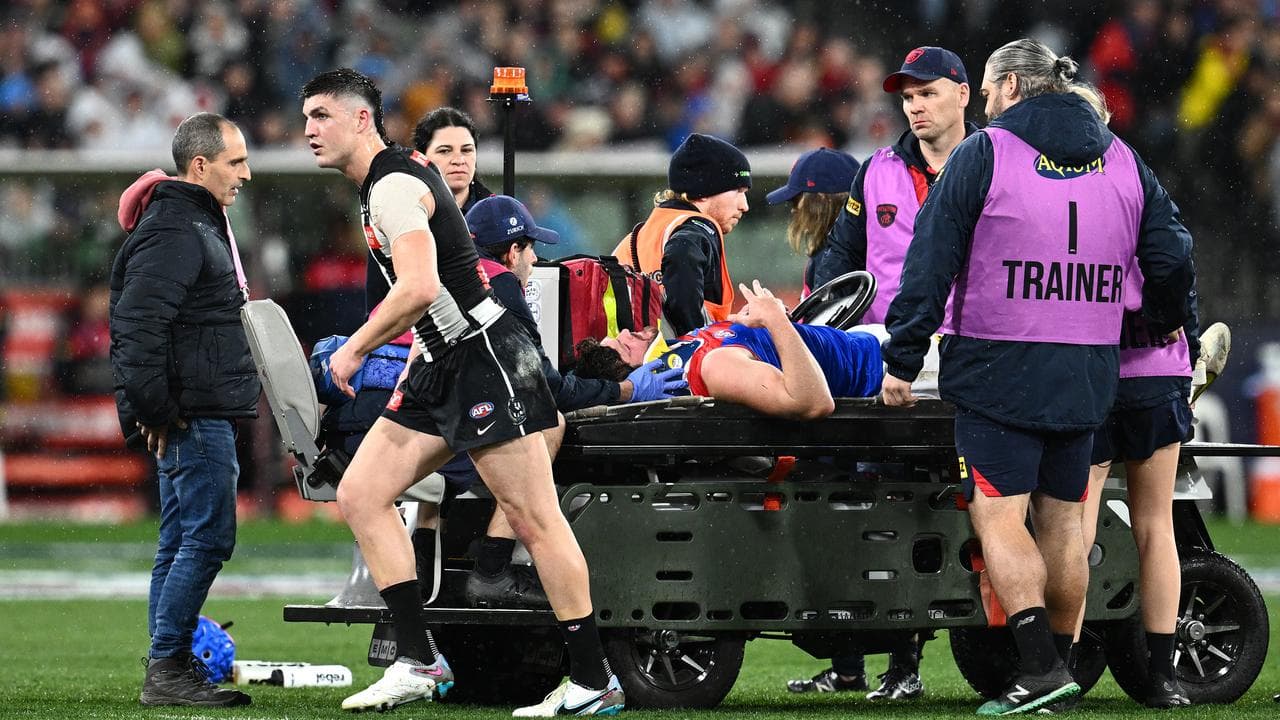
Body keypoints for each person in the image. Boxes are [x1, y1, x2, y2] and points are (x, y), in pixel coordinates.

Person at [879, 39, 1196, 715]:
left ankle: (1038, 669)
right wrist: (1165, 318)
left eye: (991, 94)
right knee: (1061, 522)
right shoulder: (1122, 157)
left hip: (999, 362)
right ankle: (1056, 667)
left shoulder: (984, 153)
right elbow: (1172, 253)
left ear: (1012, 89)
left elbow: (929, 261)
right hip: (1089, 368)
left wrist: (903, 357)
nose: (989, 106)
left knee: (998, 516)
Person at [301, 68, 623, 716]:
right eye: (306, 117)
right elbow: (434, 294)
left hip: (482, 360)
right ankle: (418, 661)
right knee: (363, 494)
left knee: (534, 519)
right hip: (443, 359)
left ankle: (593, 680)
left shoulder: (391, 187)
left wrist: (356, 349)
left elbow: (420, 287)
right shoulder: (383, 184)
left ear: (362, 120)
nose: (308, 130)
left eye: (320, 116)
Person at [463, 194, 684, 608]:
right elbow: (548, 391)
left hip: (416, 411)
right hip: (455, 421)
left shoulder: (459, 273)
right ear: (514, 251)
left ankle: (480, 564)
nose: (534, 262)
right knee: (547, 424)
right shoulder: (503, 285)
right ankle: (495, 569)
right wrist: (628, 390)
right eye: (531, 249)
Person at [109, 112, 257, 708]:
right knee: (208, 537)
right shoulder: (177, 228)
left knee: (180, 541)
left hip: (190, 407)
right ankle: (168, 666)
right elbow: (137, 325)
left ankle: (165, 662)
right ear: (200, 166)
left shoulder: (187, 222)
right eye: (236, 162)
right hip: (192, 411)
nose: (246, 173)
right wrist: (157, 408)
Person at [573, 280, 915, 419]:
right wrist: (777, 324)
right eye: (623, 343)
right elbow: (811, 403)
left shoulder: (688, 348)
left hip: (876, 346)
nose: (630, 332)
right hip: (892, 374)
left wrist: (771, 323)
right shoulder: (712, 367)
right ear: (636, 369)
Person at [814, 46, 978, 324]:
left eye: (927, 94)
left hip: (966, 347)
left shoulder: (992, 169)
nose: (915, 107)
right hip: (885, 344)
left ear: (962, 94)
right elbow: (842, 255)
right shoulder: (875, 170)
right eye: (908, 97)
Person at [612, 133, 751, 335]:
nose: (744, 205)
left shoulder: (641, 233)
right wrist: (694, 338)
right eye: (738, 191)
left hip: (632, 358)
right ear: (703, 191)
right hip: (669, 362)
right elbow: (681, 255)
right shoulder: (698, 228)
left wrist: (732, 322)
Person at [365, 107, 494, 316]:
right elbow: (377, 305)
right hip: (415, 337)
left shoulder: (498, 214)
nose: (458, 159)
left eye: (467, 150)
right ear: (422, 158)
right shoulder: (396, 213)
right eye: (445, 151)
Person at [765, 147, 860, 300]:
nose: (794, 210)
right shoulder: (844, 251)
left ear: (821, 199)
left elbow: (825, 323)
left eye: (796, 200)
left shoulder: (835, 261)